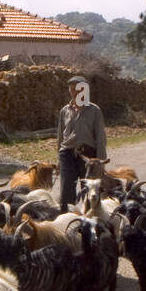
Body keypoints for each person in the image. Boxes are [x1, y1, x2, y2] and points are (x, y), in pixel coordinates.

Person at [57, 75, 106, 209]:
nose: (75, 92)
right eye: (72, 89)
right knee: (66, 191)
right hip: (67, 154)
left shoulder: (94, 110)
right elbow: (61, 137)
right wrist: (58, 161)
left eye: (78, 89)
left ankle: (89, 221)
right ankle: (67, 219)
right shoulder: (64, 111)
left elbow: (100, 136)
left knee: (90, 190)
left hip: (87, 155)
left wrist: (100, 161)